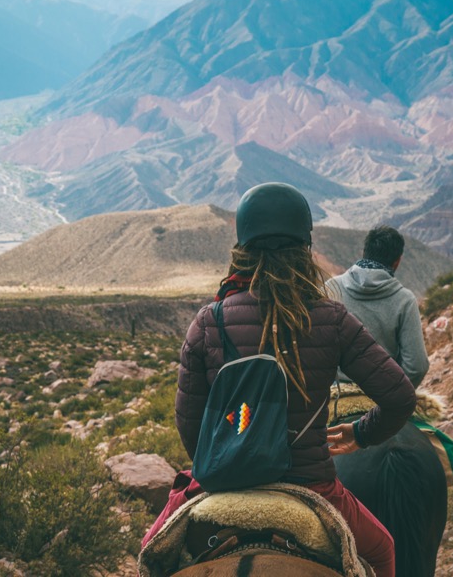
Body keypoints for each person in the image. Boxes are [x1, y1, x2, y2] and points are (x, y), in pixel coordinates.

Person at [142, 182, 416, 577]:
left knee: (150, 554)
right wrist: (361, 434)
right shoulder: (331, 318)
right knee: (383, 550)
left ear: (242, 250)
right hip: (312, 484)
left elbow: (190, 429)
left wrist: (228, 458)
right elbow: (400, 398)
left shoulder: (208, 321)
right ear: (304, 250)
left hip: (222, 483)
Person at [327, 225, 429, 387]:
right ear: (397, 262)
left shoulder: (329, 289)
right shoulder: (405, 300)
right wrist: (392, 394)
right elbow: (417, 366)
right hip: (381, 397)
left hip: (333, 394)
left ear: (364, 253)